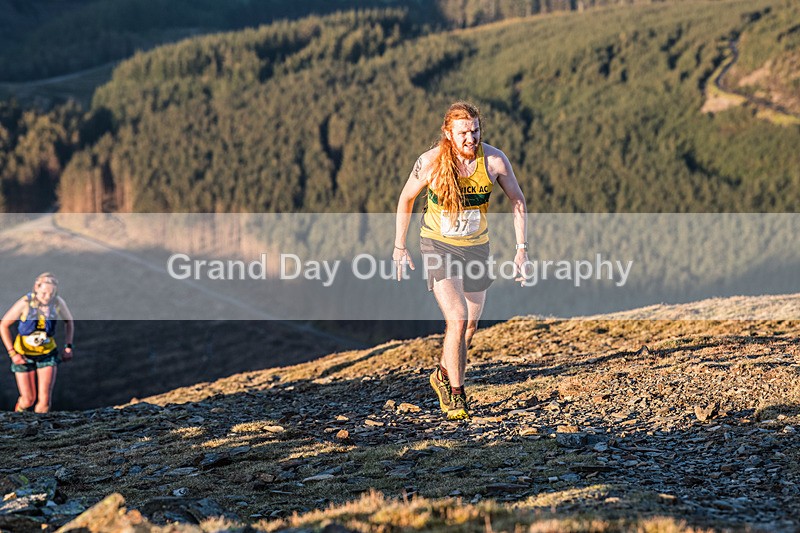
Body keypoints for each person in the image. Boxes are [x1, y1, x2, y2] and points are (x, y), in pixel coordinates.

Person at [394, 101, 528, 420]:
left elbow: (517, 199)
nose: (471, 138)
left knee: (469, 326)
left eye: (475, 130)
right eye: (464, 132)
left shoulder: (494, 161)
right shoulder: (430, 162)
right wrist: (400, 246)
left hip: (477, 248)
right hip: (438, 245)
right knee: (456, 317)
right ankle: (456, 396)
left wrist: (522, 248)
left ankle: (442, 372)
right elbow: (406, 198)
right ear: (448, 133)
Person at [1, 273, 75, 413]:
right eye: (43, 293)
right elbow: (3, 325)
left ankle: (39, 431)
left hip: (47, 354)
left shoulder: (57, 303)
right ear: (36, 288)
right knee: (28, 399)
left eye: (51, 293)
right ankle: (17, 425)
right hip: (23, 355)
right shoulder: (25, 303)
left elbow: (69, 322)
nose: (47, 297)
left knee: (45, 400)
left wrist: (68, 346)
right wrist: (12, 353)